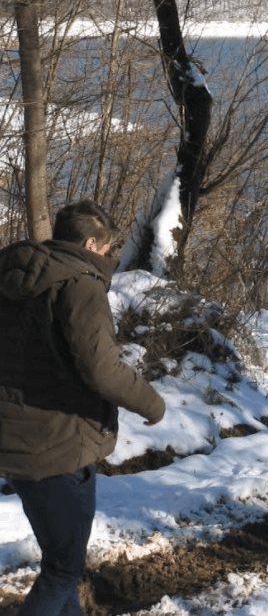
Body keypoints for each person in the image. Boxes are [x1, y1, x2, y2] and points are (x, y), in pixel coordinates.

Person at [0, 200, 166, 616]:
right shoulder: (80, 285)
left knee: (63, 563)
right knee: (63, 568)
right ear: (91, 244)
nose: (108, 257)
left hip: (16, 439)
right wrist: (152, 403)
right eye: (107, 249)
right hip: (59, 444)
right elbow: (103, 369)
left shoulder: (13, 276)